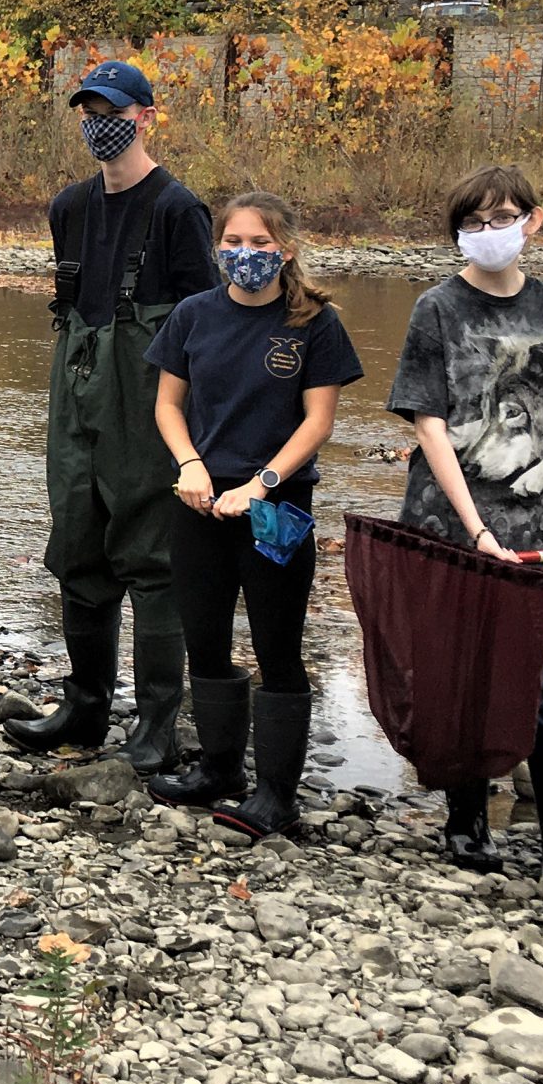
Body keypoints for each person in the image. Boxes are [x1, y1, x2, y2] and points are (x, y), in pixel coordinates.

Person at [387, 163, 543, 878]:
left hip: (536, 540)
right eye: (475, 223)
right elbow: (430, 425)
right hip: (450, 534)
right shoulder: (437, 309)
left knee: (534, 682)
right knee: (457, 676)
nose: (490, 234)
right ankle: (465, 826)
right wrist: (477, 532)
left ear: (532, 220)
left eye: (503, 218)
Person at [9, 58, 218, 771]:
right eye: (89, 110)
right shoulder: (68, 207)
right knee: (77, 548)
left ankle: (158, 720)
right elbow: (69, 309)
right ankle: (85, 707)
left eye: (114, 110)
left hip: (148, 399)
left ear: (146, 116)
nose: (100, 123)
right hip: (76, 391)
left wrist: (196, 434)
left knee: (151, 558)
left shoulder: (177, 209)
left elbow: (204, 326)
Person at [144, 192, 363, 836]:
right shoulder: (192, 316)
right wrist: (189, 465)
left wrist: (263, 484)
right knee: (205, 637)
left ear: (286, 250)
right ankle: (218, 769)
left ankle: (276, 794)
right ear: (218, 249)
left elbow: (318, 421)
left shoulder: (314, 324)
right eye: (234, 243)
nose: (246, 256)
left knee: (277, 644)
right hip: (200, 500)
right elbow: (168, 406)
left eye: (260, 245)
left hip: (278, 509)